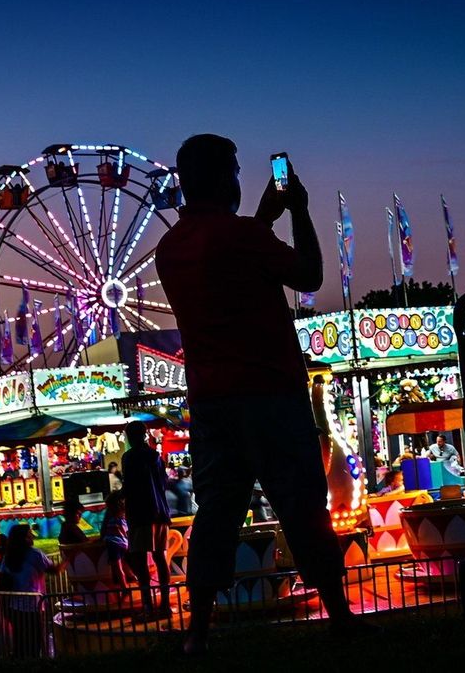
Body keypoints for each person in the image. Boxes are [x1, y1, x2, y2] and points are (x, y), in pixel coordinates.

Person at [155, 134, 372, 654]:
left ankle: (198, 633)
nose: (239, 177)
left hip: (211, 402)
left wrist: (260, 219)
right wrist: (298, 209)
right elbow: (309, 273)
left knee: (216, 515)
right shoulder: (243, 237)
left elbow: (226, 251)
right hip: (271, 393)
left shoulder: (171, 249)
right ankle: (340, 616)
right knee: (302, 507)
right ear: (221, 176)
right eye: (233, 169)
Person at [121, 420, 173, 620]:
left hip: (140, 514)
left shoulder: (130, 457)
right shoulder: (155, 456)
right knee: (160, 558)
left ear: (131, 437)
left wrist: (117, 497)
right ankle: (165, 606)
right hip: (160, 512)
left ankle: (148, 608)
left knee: (141, 562)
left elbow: (130, 486)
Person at [0, 523, 67, 658]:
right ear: (25, 538)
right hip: (33, 606)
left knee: (20, 642)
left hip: (14, 607)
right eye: (30, 534)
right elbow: (54, 570)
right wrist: (68, 559)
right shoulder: (35, 554)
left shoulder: (8, 557)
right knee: (35, 641)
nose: (32, 536)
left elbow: (1, 579)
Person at [100, 490, 135, 587]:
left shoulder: (113, 519)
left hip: (113, 545)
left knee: (117, 568)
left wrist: (102, 538)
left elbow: (105, 531)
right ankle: (133, 577)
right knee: (122, 562)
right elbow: (127, 532)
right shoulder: (123, 519)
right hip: (123, 544)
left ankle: (124, 588)